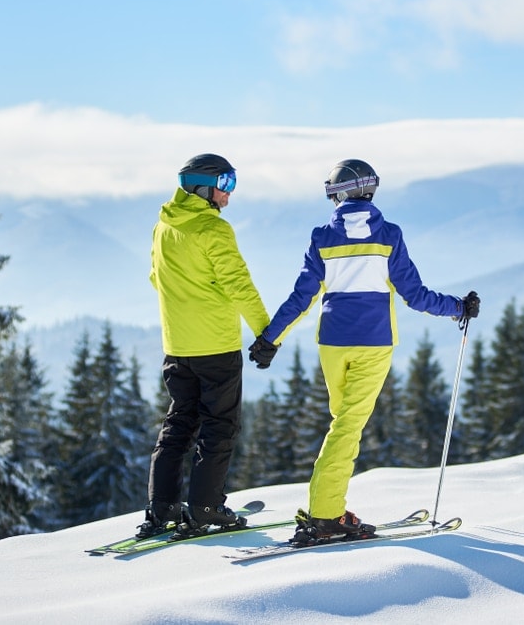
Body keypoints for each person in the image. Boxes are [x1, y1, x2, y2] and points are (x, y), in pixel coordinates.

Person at [248, 158, 480, 545]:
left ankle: (325, 506)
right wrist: (458, 307)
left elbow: (302, 297)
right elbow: (415, 295)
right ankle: (326, 514)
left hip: (332, 345)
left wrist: (271, 338)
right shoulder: (388, 235)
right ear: (370, 191)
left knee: (342, 424)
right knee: (347, 427)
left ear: (337, 195)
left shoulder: (322, 237)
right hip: (374, 343)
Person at [137, 153, 273, 539]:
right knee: (219, 426)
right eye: (225, 184)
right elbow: (238, 284)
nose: (229, 194)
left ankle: (162, 507)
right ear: (202, 187)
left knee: (179, 423)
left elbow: (156, 278)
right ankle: (205, 507)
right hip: (215, 345)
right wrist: (266, 333)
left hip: (177, 345)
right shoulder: (214, 230)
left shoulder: (164, 226)